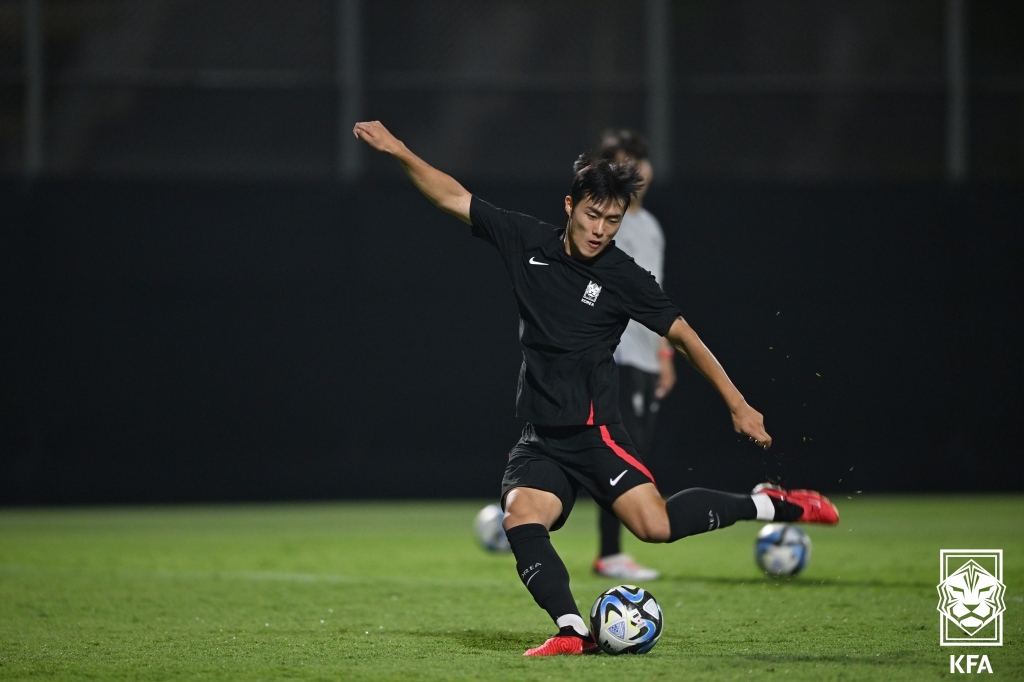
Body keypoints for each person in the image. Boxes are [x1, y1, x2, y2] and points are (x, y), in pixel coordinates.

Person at [352, 120, 839, 657]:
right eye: (592, 215)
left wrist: (738, 403)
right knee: (521, 514)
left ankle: (764, 505)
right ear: (570, 205)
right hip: (542, 437)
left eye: (612, 219)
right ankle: (571, 631)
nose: (600, 229)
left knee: (655, 528)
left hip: (594, 432)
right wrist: (397, 149)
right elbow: (452, 195)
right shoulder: (527, 241)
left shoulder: (623, 275)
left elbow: (683, 336)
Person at [591, 129, 673, 582]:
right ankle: (610, 553)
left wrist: (665, 358)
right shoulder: (607, 220)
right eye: (624, 163)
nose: (636, 170)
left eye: (639, 161)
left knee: (629, 454)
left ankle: (524, 510)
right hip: (613, 357)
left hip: (644, 358)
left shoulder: (652, 226)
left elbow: (657, 296)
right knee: (621, 457)